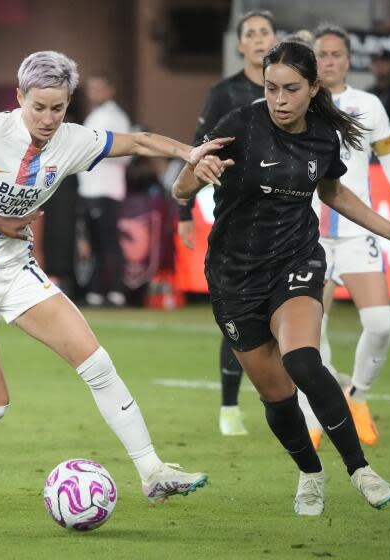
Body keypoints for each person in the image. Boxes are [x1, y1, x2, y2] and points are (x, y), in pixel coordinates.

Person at [0, 50, 230, 511]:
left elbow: (138, 142)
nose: (49, 118)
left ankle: (152, 471)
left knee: (97, 363)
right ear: (19, 98)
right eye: (39, 107)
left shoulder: (73, 140)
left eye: (58, 108)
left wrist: (188, 152)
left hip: (16, 269)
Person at [173, 41, 390, 515]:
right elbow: (180, 189)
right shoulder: (239, 125)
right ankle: (309, 473)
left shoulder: (324, 135)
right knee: (276, 394)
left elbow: (333, 192)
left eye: (291, 89)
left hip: (294, 260)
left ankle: (360, 469)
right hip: (234, 276)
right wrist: (197, 172)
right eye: (271, 88)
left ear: (313, 88)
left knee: (303, 360)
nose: (279, 99)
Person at [296, 26, 390, 450]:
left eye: (336, 54)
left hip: (356, 233)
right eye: (321, 54)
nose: (328, 61)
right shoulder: (298, 103)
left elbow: (388, 154)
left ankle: (357, 396)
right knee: (310, 330)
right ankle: (315, 415)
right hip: (307, 236)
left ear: (348, 59)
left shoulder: (368, 105)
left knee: (381, 325)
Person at [178, 10, 278, 437]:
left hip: (289, 217)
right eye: (250, 34)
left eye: (265, 33)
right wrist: (184, 212)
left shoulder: (291, 92)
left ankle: (295, 399)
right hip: (237, 216)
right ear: (239, 45)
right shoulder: (225, 93)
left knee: (294, 310)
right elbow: (197, 152)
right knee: (241, 309)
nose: (258, 40)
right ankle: (230, 406)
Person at [76, 74, 135, 307]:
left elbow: (126, 154)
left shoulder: (116, 117)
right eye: (92, 88)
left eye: (100, 88)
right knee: (94, 243)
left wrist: (92, 153)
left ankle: (116, 292)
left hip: (106, 188)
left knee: (109, 242)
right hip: (89, 188)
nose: (95, 93)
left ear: (110, 90)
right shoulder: (94, 116)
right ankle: (97, 291)